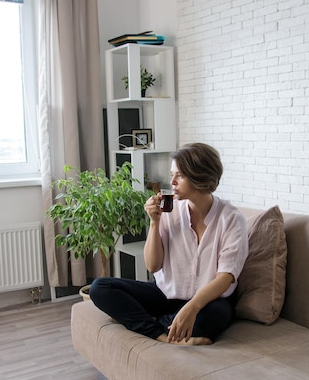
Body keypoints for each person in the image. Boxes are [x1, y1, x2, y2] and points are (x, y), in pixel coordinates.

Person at [89, 143, 248, 345]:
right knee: (100, 288)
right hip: (165, 294)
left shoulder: (231, 219)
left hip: (208, 302)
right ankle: (162, 334)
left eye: (179, 175)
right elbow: (152, 266)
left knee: (216, 315)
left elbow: (225, 278)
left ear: (200, 176)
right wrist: (154, 223)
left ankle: (151, 322)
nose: (172, 181)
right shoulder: (169, 210)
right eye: (172, 174)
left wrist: (190, 308)